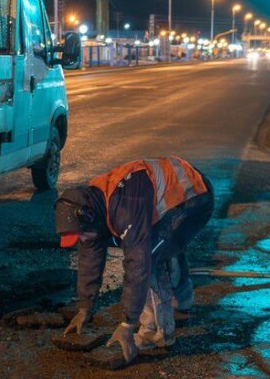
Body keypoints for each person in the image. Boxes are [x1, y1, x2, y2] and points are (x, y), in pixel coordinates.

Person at [55, 156, 214, 365]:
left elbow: (138, 266)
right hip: (174, 192)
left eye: (81, 235)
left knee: (150, 256)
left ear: (89, 218)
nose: (81, 240)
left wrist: (127, 325)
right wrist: (85, 306)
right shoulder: (90, 212)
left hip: (192, 194)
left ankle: (156, 333)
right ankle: (181, 299)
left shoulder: (124, 208)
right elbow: (89, 259)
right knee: (162, 246)